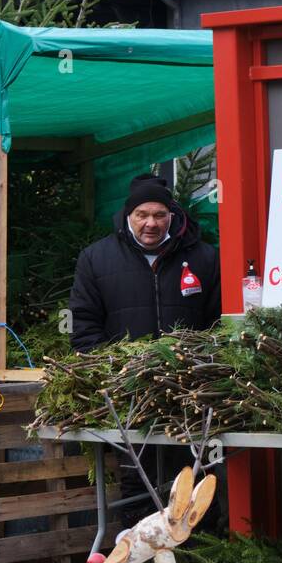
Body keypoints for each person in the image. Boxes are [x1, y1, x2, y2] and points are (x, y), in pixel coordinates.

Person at [69, 174, 222, 524]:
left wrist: (205, 369)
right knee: (136, 482)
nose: (151, 223)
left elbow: (219, 324)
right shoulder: (96, 259)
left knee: (194, 479)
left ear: (172, 215)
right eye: (142, 214)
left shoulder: (203, 258)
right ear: (128, 215)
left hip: (190, 395)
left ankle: (199, 560)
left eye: (159, 215)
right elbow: (84, 326)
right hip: (129, 398)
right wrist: (113, 376)